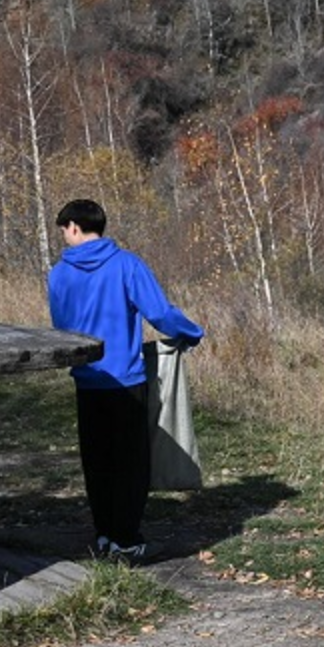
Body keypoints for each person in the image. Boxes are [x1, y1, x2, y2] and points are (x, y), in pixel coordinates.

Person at [48, 199, 205, 560]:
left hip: (86, 379)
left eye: (63, 230)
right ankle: (127, 539)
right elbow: (159, 313)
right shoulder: (127, 265)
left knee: (97, 459)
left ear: (74, 227)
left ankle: (104, 535)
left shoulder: (58, 274)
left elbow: (61, 326)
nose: (64, 237)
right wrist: (191, 332)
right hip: (125, 377)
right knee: (130, 461)